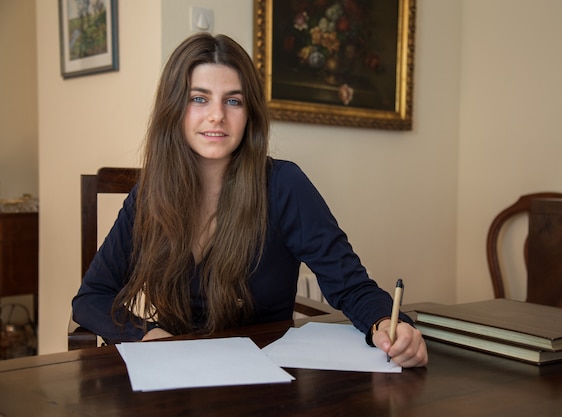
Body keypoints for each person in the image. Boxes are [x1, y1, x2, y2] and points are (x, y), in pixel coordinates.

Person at [72, 32, 427, 368]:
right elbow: (91, 297)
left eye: (233, 100)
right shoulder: (150, 195)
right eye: (199, 98)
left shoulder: (284, 185)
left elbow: (351, 286)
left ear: (249, 114)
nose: (217, 115)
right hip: (176, 376)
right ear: (174, 109)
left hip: (264, 379)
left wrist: (388, 323)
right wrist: (149, 335)